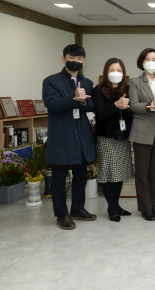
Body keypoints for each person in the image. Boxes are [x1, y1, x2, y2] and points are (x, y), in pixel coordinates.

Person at [42, 44, 97, 230]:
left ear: (84, 61)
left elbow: (91, 106)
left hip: (82, 134)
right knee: (59, 178)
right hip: (62, 135)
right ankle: (61, 214)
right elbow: (52, 104)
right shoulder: (51, 81)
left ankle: (77, 209)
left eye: (80, 59)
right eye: (72, 58)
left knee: (81, 175)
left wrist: (84, 102)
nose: (77, 61)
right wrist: (73, 97)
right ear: (63, 59)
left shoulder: (87, 82)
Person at [129, 48, 155, 221]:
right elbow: (133, 105)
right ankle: (145, 207)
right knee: (142, 171)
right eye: (148, 59)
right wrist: (149, 105)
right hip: (141, 131)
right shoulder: (135, 81)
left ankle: (154, 204)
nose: (151, 61)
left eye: (154, 59)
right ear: (142, 62)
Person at [93, 58, 134, 222]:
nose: (115, 73)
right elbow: (101, 113)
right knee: (109, 173)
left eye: (118, 70)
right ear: (106, 72)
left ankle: (116, 205)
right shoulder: (99, 90)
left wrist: (127, 107)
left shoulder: (127, 89)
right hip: (106, 137)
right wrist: (116, 105)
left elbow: (132, 115)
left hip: (123, 137)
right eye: (111, 70)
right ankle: (111, 207)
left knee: (120, 173)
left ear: (123, 72)